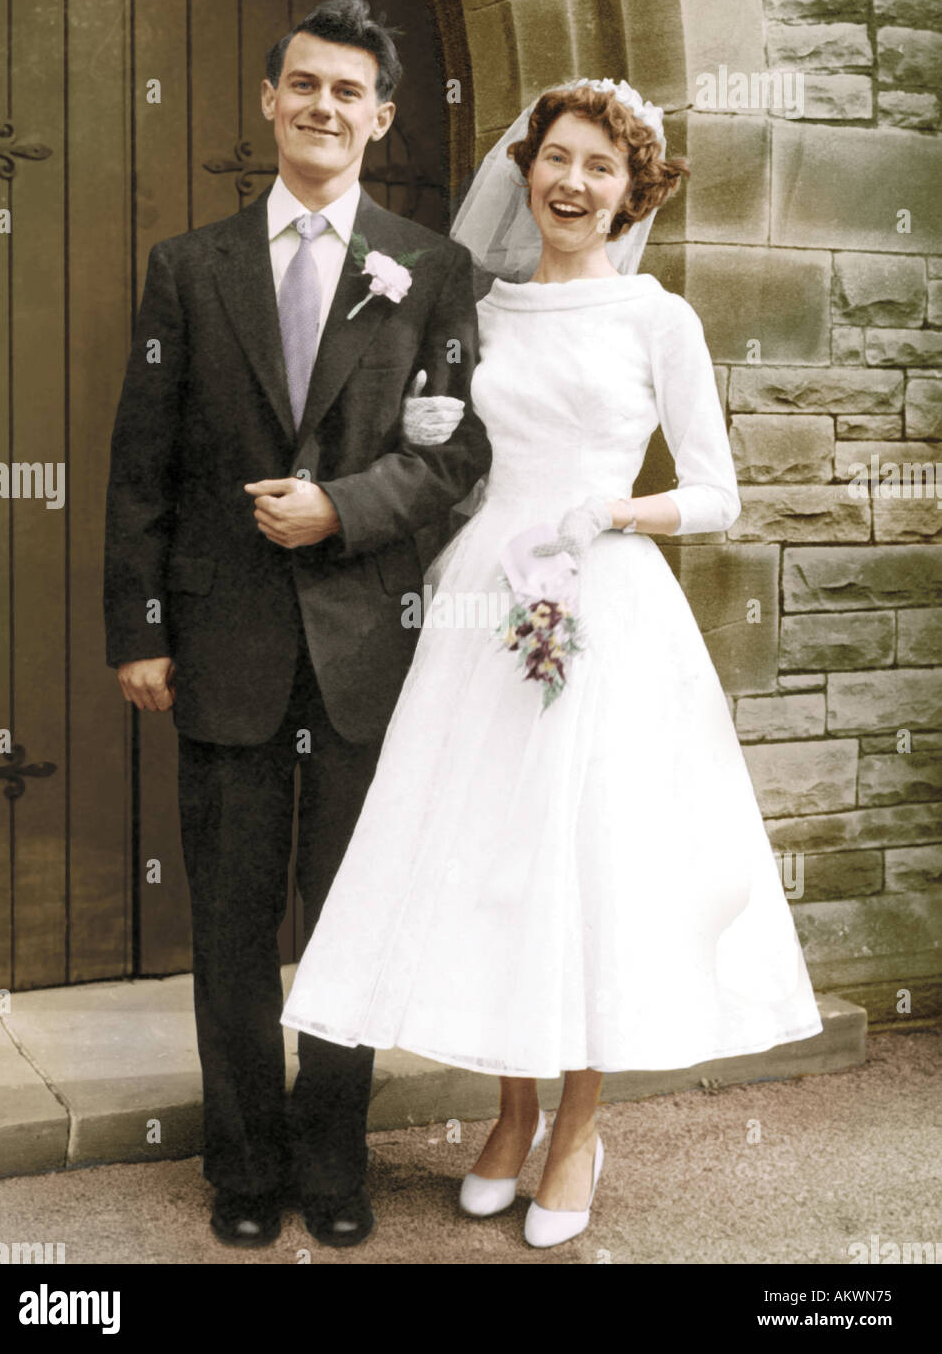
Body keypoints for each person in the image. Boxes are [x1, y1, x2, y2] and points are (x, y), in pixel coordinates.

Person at [281, 78, 824, 1249]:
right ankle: (509, 1110)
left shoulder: (656, 320)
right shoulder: (482, 305)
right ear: (527, 168)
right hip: (486, 604)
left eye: (600, 168)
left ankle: (578, 1124)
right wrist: (437, 438)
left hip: (604, 604)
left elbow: (723, 492)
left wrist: (617, 517)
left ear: (634, 191)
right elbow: (462, 457)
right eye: (556, 159)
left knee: (591, 870)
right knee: (491, 864)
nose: (571, 184)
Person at [103, 0, 491, 1249]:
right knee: (227, 921)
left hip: (367, 656)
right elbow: (139, 468)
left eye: (349, 93)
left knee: (348, 920)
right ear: (270, 103)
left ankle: (333, 1164)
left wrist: (344, 507)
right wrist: (138, 629)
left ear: (381, 118)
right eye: (304, 87)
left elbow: (460, 451)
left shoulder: (430, 269)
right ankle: (242, 1165)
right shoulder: (188, 267)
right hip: (219, 652)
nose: (324, 108)